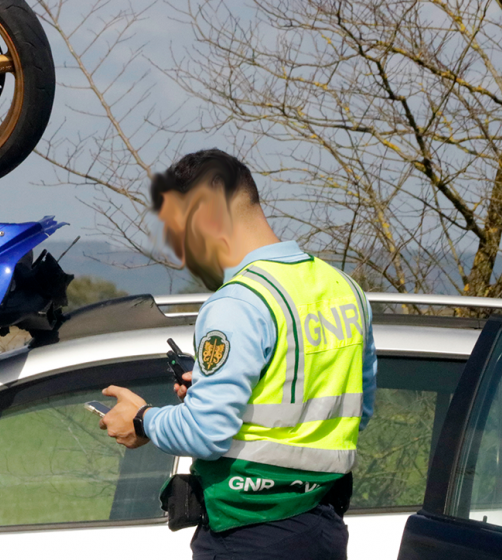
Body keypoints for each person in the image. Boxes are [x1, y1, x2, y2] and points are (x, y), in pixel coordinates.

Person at [98, 149, 377, 560]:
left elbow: (206, 433)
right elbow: (357, 410)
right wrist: (233, 393)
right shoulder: (344, 290)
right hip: (322, 529)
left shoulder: (238, 302)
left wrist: (142, 420)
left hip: (248, 536)